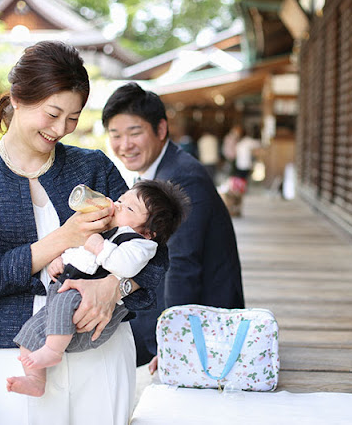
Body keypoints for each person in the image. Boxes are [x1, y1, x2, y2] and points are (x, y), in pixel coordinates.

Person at [0, 41, 167, 425]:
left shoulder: (93, 166)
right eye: (52, 113)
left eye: (73, 118)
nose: (60, 129)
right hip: (18, 351)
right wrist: (63, 238)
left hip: (101, 345)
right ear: (16, 98)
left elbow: (156, 254)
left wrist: (115, 287)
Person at [102, 82, 245, 371]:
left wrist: (173, 342)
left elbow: (182, 263)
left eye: (134, 132)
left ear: (161, 130)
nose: (124, 145)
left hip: (206, 321)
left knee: (101, 344)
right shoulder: (161, 171)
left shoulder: (180, 180)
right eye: (115, 135)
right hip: (179, 304)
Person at [7, 180, 190, 397]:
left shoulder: (140, 244)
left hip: (83, 298)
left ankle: (53, 351)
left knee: (65, 302)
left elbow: (127, 264)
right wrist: (61, 259)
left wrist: (99, 247)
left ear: (149, 232)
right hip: (66, 287)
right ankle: (35, 379)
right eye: (120, 200)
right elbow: (77, 251)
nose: (118, 205)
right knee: (30, 330)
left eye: (129, 208)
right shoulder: (104, 227)